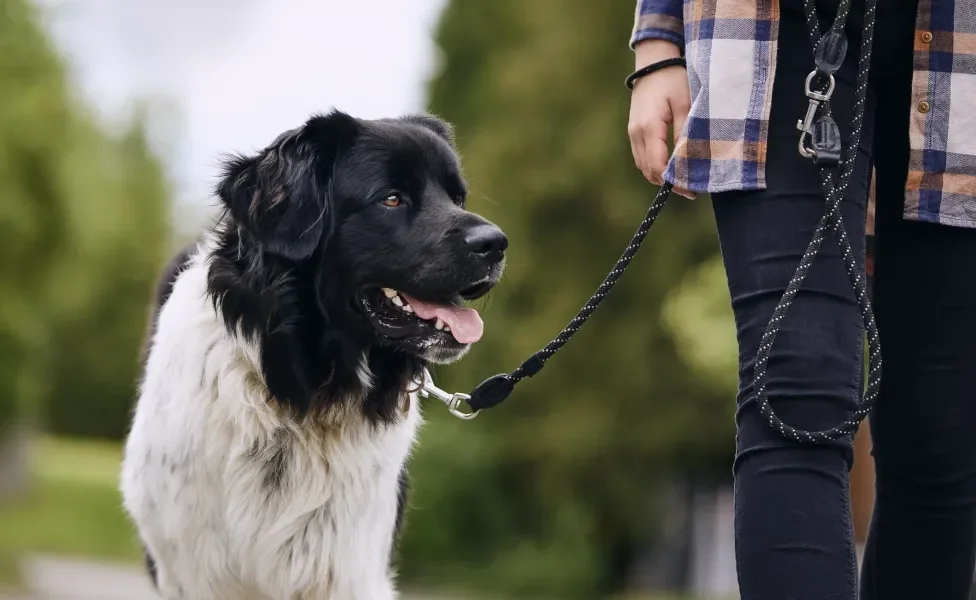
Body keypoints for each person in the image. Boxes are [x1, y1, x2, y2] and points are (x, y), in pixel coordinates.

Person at [626, 0, 976, 598]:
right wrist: (659, 40)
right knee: (796, 391)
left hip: (961, 40)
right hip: (772, 30)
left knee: (940, 426)